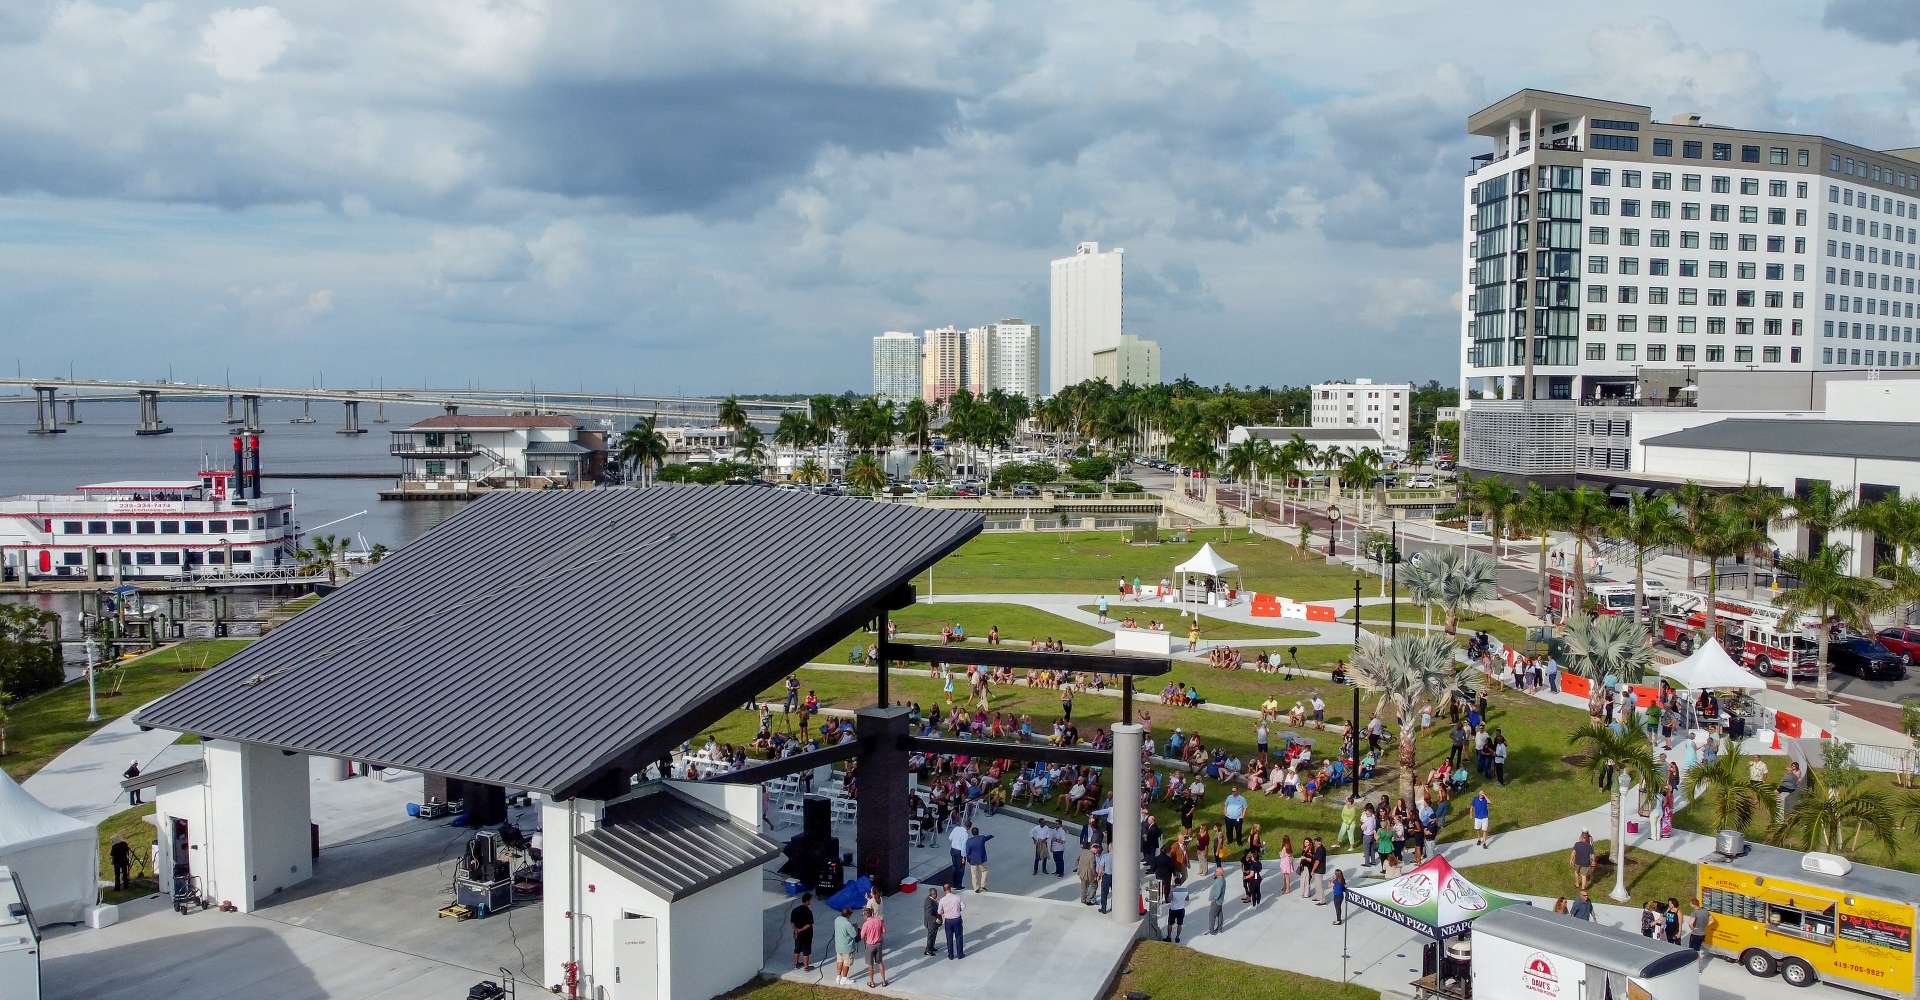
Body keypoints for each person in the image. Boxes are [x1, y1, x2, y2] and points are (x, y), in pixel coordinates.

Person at [861, 905, 889, 987]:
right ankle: (883, 981)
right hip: (878, 944)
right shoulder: (879, 921)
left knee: (870, 964)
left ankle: (872, 982)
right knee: (880, 962)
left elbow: (862, 936)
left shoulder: (865, 924)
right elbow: (884, 931)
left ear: (866, 915)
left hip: (870, 945)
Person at [939, 883, 966, 959]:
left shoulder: (942, 900)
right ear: (950, 889)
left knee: (949, 938)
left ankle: (950, 955)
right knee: (959, 937)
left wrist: (945, 912)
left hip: (948, 921)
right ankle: (960, 954)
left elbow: (939, 911)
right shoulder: (957, 897)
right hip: (957, 919)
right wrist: (958, 910)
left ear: (944, 890)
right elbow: (963, 907)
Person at [833, 907, 859, 986]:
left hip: (839, 945)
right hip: (847, 947)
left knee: (839, 961)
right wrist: (855, 928)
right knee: (846, 963)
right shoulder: (847, 924)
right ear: (848, 915)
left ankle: (838, 977)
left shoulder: (837, 919)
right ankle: (844, 979)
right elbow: (854, 934)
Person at [790, 891, 816, 970]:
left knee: (797, 948)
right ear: (807, 901)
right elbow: (809, 924)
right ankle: (806, 966)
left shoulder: (795, 910)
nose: (811, 901)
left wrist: (796, 930)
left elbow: (792, 922)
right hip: (806, 935)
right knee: (806, 950)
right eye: (810, 900)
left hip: (797, 934)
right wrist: (801, 930)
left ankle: (796, 964)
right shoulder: (808, 912)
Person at [966, 825, 994, 892]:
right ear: (978, 832)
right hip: (981, 859)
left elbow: (968, 852)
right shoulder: (982, 838)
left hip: (973, 860)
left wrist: (968, 859)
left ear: (972, 833)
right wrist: (992, 835)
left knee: (974, 874)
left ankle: (976, 887)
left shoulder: (969, 841)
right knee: (984, 871)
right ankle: (983, 885)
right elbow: (987, 837)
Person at [948, 821, 970, 888]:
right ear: (969, 827)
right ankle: (958, 885)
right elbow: (963, 846)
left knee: (955, 867)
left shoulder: (956, 828)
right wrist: (964, 856)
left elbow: (950, 838)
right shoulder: (965, 834)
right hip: (959, 852)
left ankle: (953, 883)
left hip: (953, 849)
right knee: (960, 869)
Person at [1207, 864, 1228, 934]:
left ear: (1220, 873)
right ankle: (1219, 928)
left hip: (1216, 901)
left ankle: (1211, 931)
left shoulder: (1220, 881)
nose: (1215, 872)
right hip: (1220, 900)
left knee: (1212, 915)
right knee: (1219, 914)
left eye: (1216, 871)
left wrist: (1215, 899)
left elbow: (1218, 891)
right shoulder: (1221, 880)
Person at [922, 886, 943, 957]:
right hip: (931, 923)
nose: (937, 895)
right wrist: (936, 919)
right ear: (932, 894)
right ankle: (928, 950)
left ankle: (932, 947)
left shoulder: (932, 900)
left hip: (934, 924)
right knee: (930, 937)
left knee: (934, 936)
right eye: (936, 894)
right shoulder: (929, 902)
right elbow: (929, 914)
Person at [1097, 841, 1114, 912]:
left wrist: (1099, 875)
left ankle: (1103, 908)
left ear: (1110, 848)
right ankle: (1114, 907)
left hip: (1107, 876)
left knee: (1104, 892)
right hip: (1115, 876)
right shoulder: (1119, 857)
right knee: (1115, 893)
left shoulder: (1105, 856)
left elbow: (1101, 867)